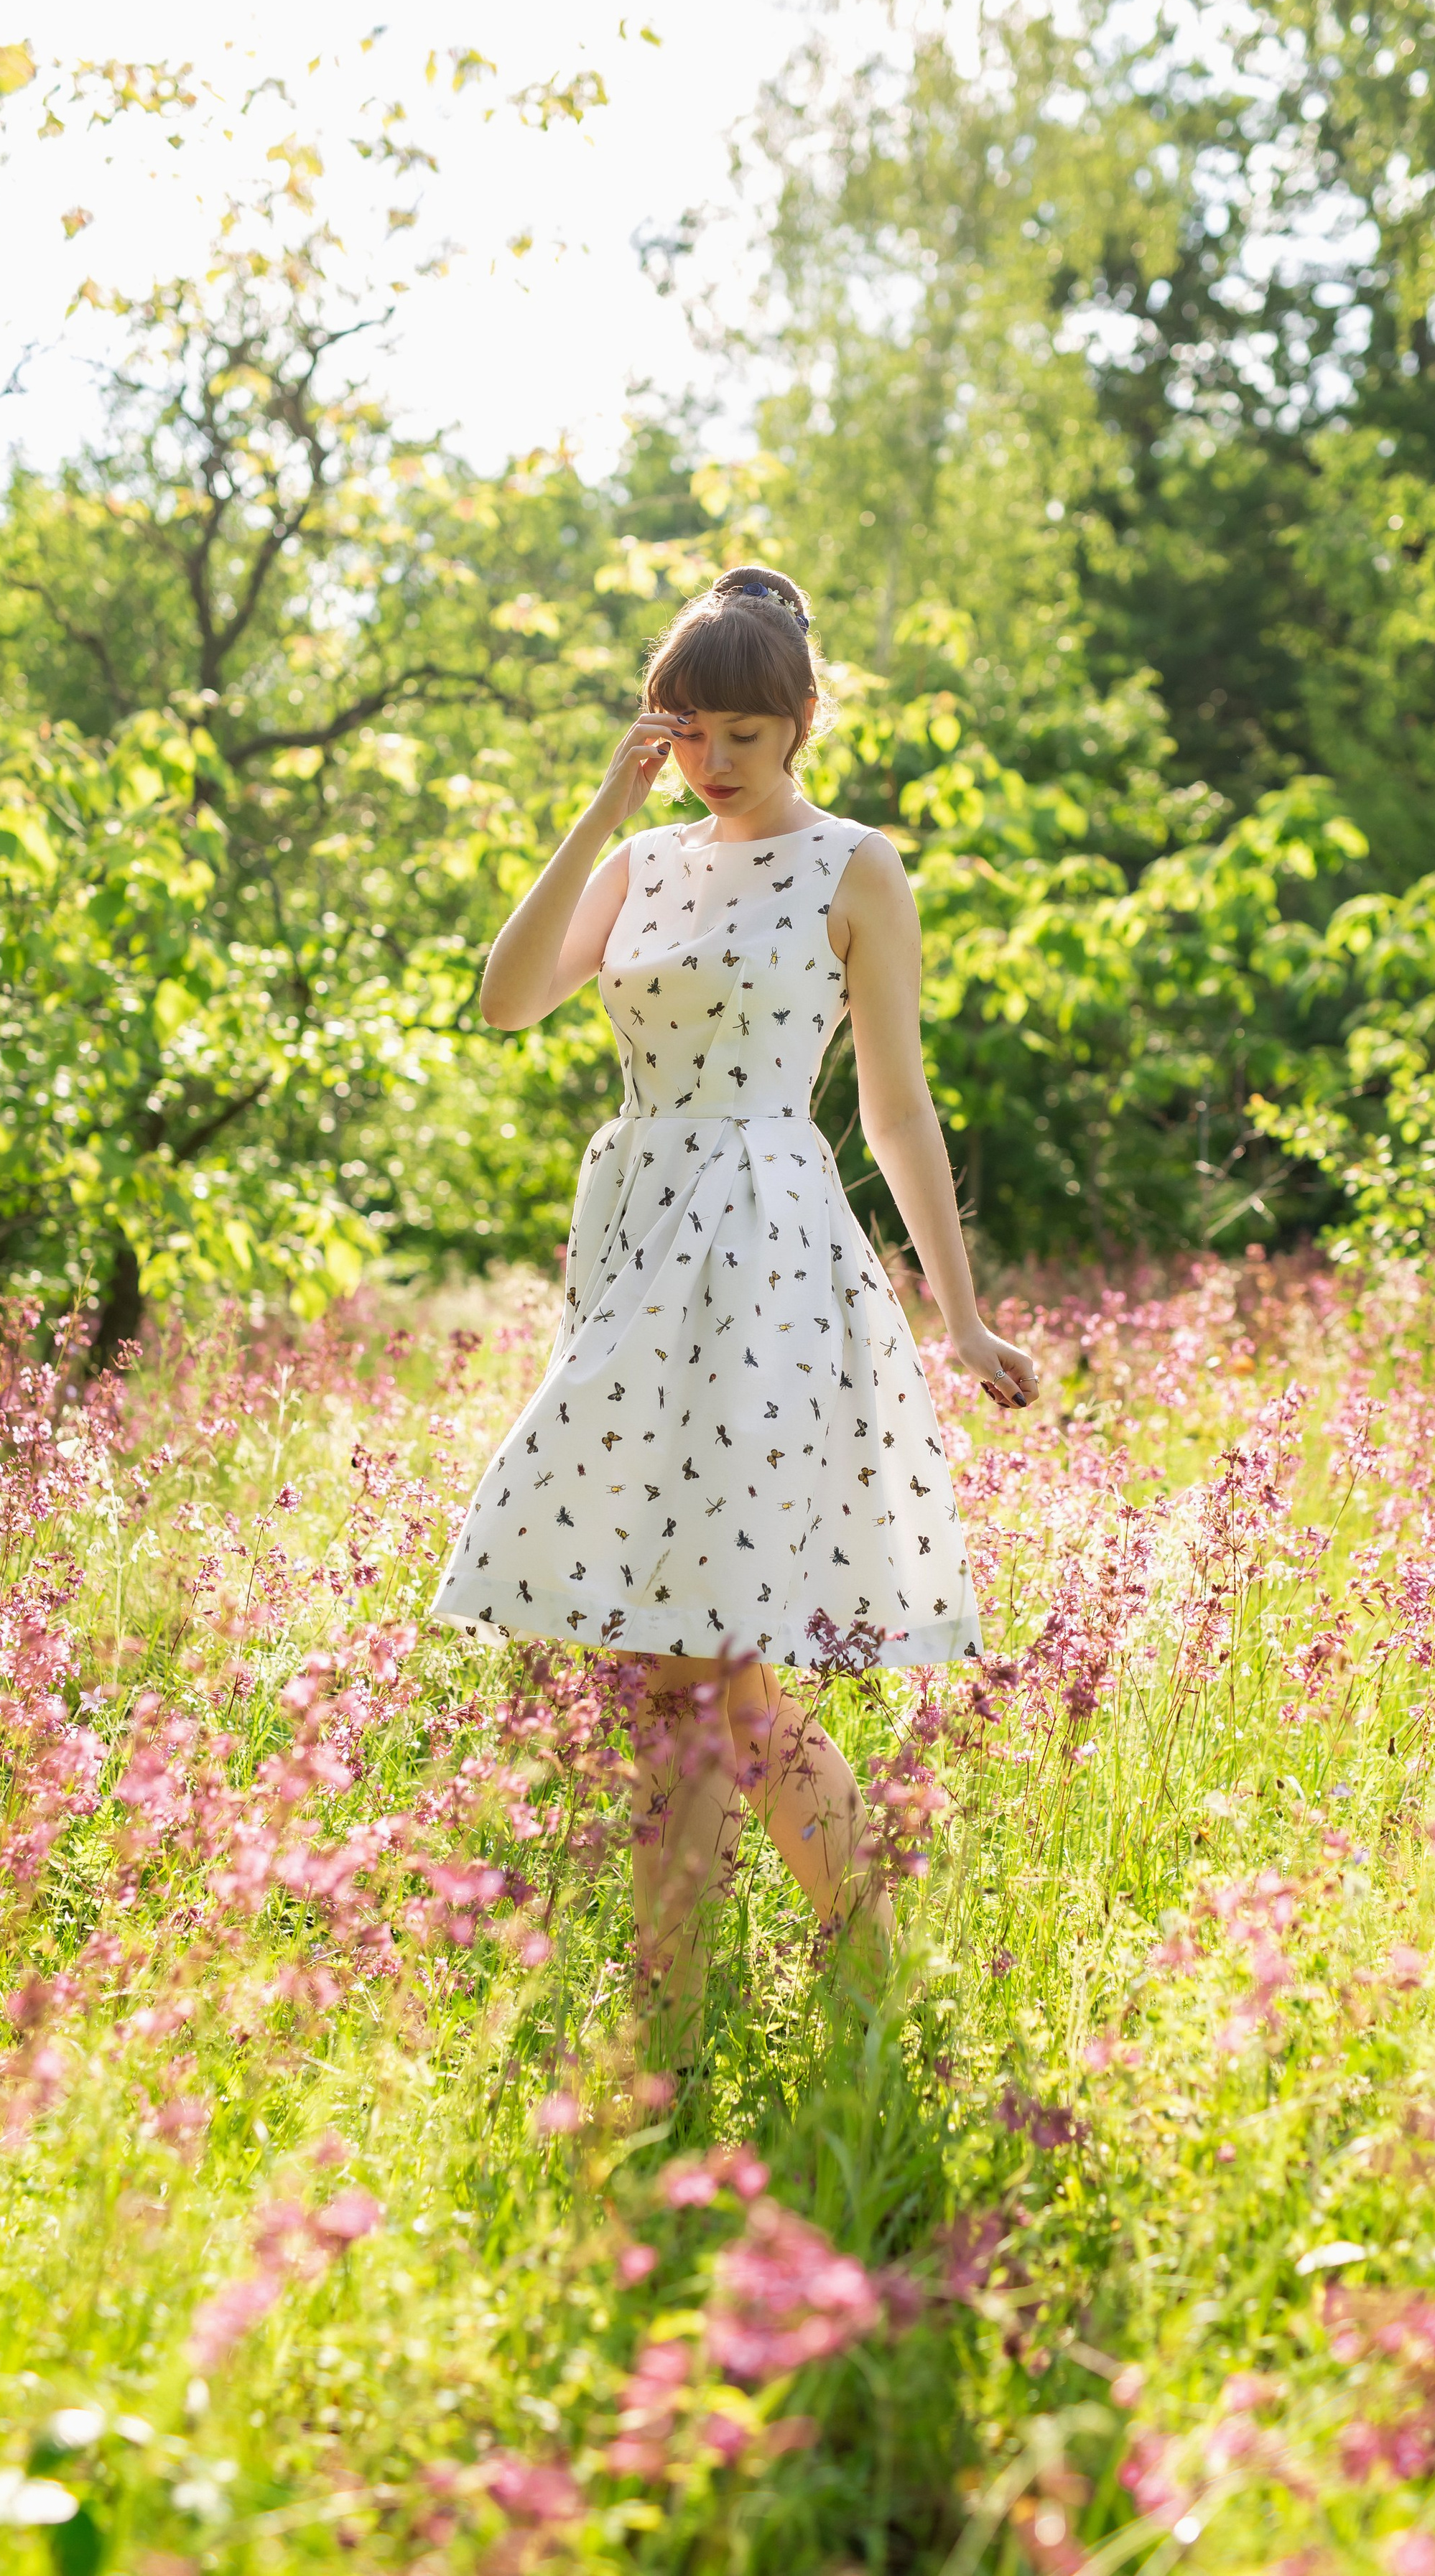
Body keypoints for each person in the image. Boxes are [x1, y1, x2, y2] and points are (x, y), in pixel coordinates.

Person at [430, 564, 1037, 2052]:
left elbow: (895, 1108)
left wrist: (957, 1316)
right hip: (637, 1244)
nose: (711, 761)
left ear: (804, 720)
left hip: (766, 1250)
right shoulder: (638, 862)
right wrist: (600, 808)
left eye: (743, 737)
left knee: (697, 1662)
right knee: (687, 1665)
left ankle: (680, 2015)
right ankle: (854, 1971)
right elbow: (506, 1000)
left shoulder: (853, 868)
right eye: (688, 732)